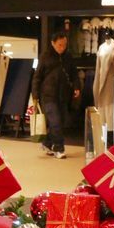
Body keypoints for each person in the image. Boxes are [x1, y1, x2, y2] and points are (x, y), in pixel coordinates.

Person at [32, 29, 78, 159]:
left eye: (64, 45)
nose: (62, 48)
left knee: (59, 122)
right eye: (60, 45)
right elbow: (37, 77)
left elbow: (74, 73)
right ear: (53, 43)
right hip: (48, 95)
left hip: (63, 95)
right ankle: (59, 148)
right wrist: (35, 95)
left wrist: (76, 87)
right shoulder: (45, 56)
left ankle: (47, 143)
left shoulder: (68, 57)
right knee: (55, 121)